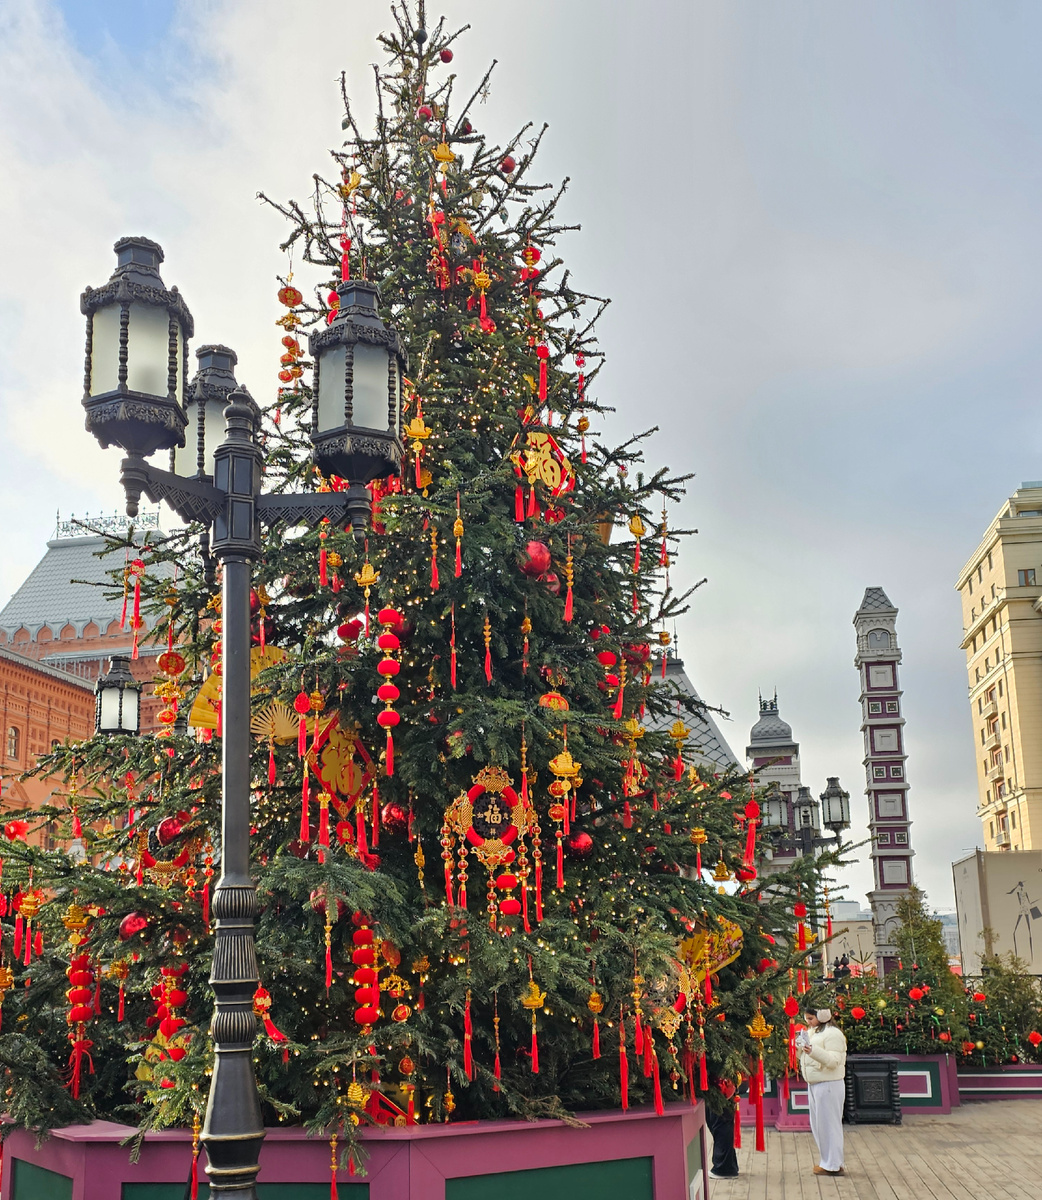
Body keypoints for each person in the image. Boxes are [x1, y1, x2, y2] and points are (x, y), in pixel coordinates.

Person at [798, 1006, 847, 1177]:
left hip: (829, 1084)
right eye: (806, 1018)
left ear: (822, 1016)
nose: (808, 1022)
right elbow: (805, 1056)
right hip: (815, 1082)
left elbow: (833, 1061)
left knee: (829, 1125)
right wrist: (799, 1047)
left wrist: (812, 1050)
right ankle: (828, 1161)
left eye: (811, 1018)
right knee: (819, 1125)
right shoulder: (814, 1032)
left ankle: (833, 1164)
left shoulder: (833, 1034)